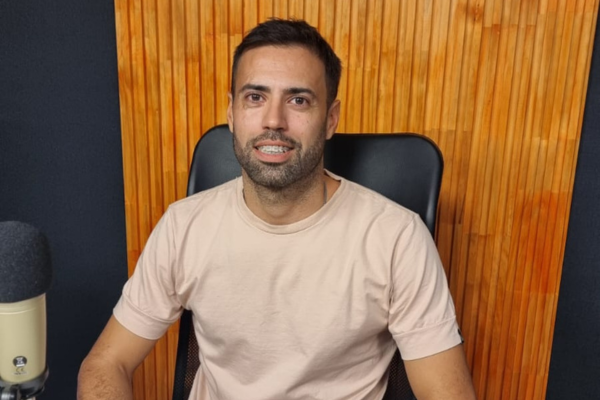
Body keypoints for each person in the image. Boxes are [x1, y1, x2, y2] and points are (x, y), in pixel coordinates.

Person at [78, 18, 477, 400]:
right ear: (232, 113)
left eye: (298, 100)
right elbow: (105, 364)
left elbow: (446, 392)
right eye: (255, 97)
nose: (273, 120)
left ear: (330, 119)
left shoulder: (397, 238)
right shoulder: (183, 227)